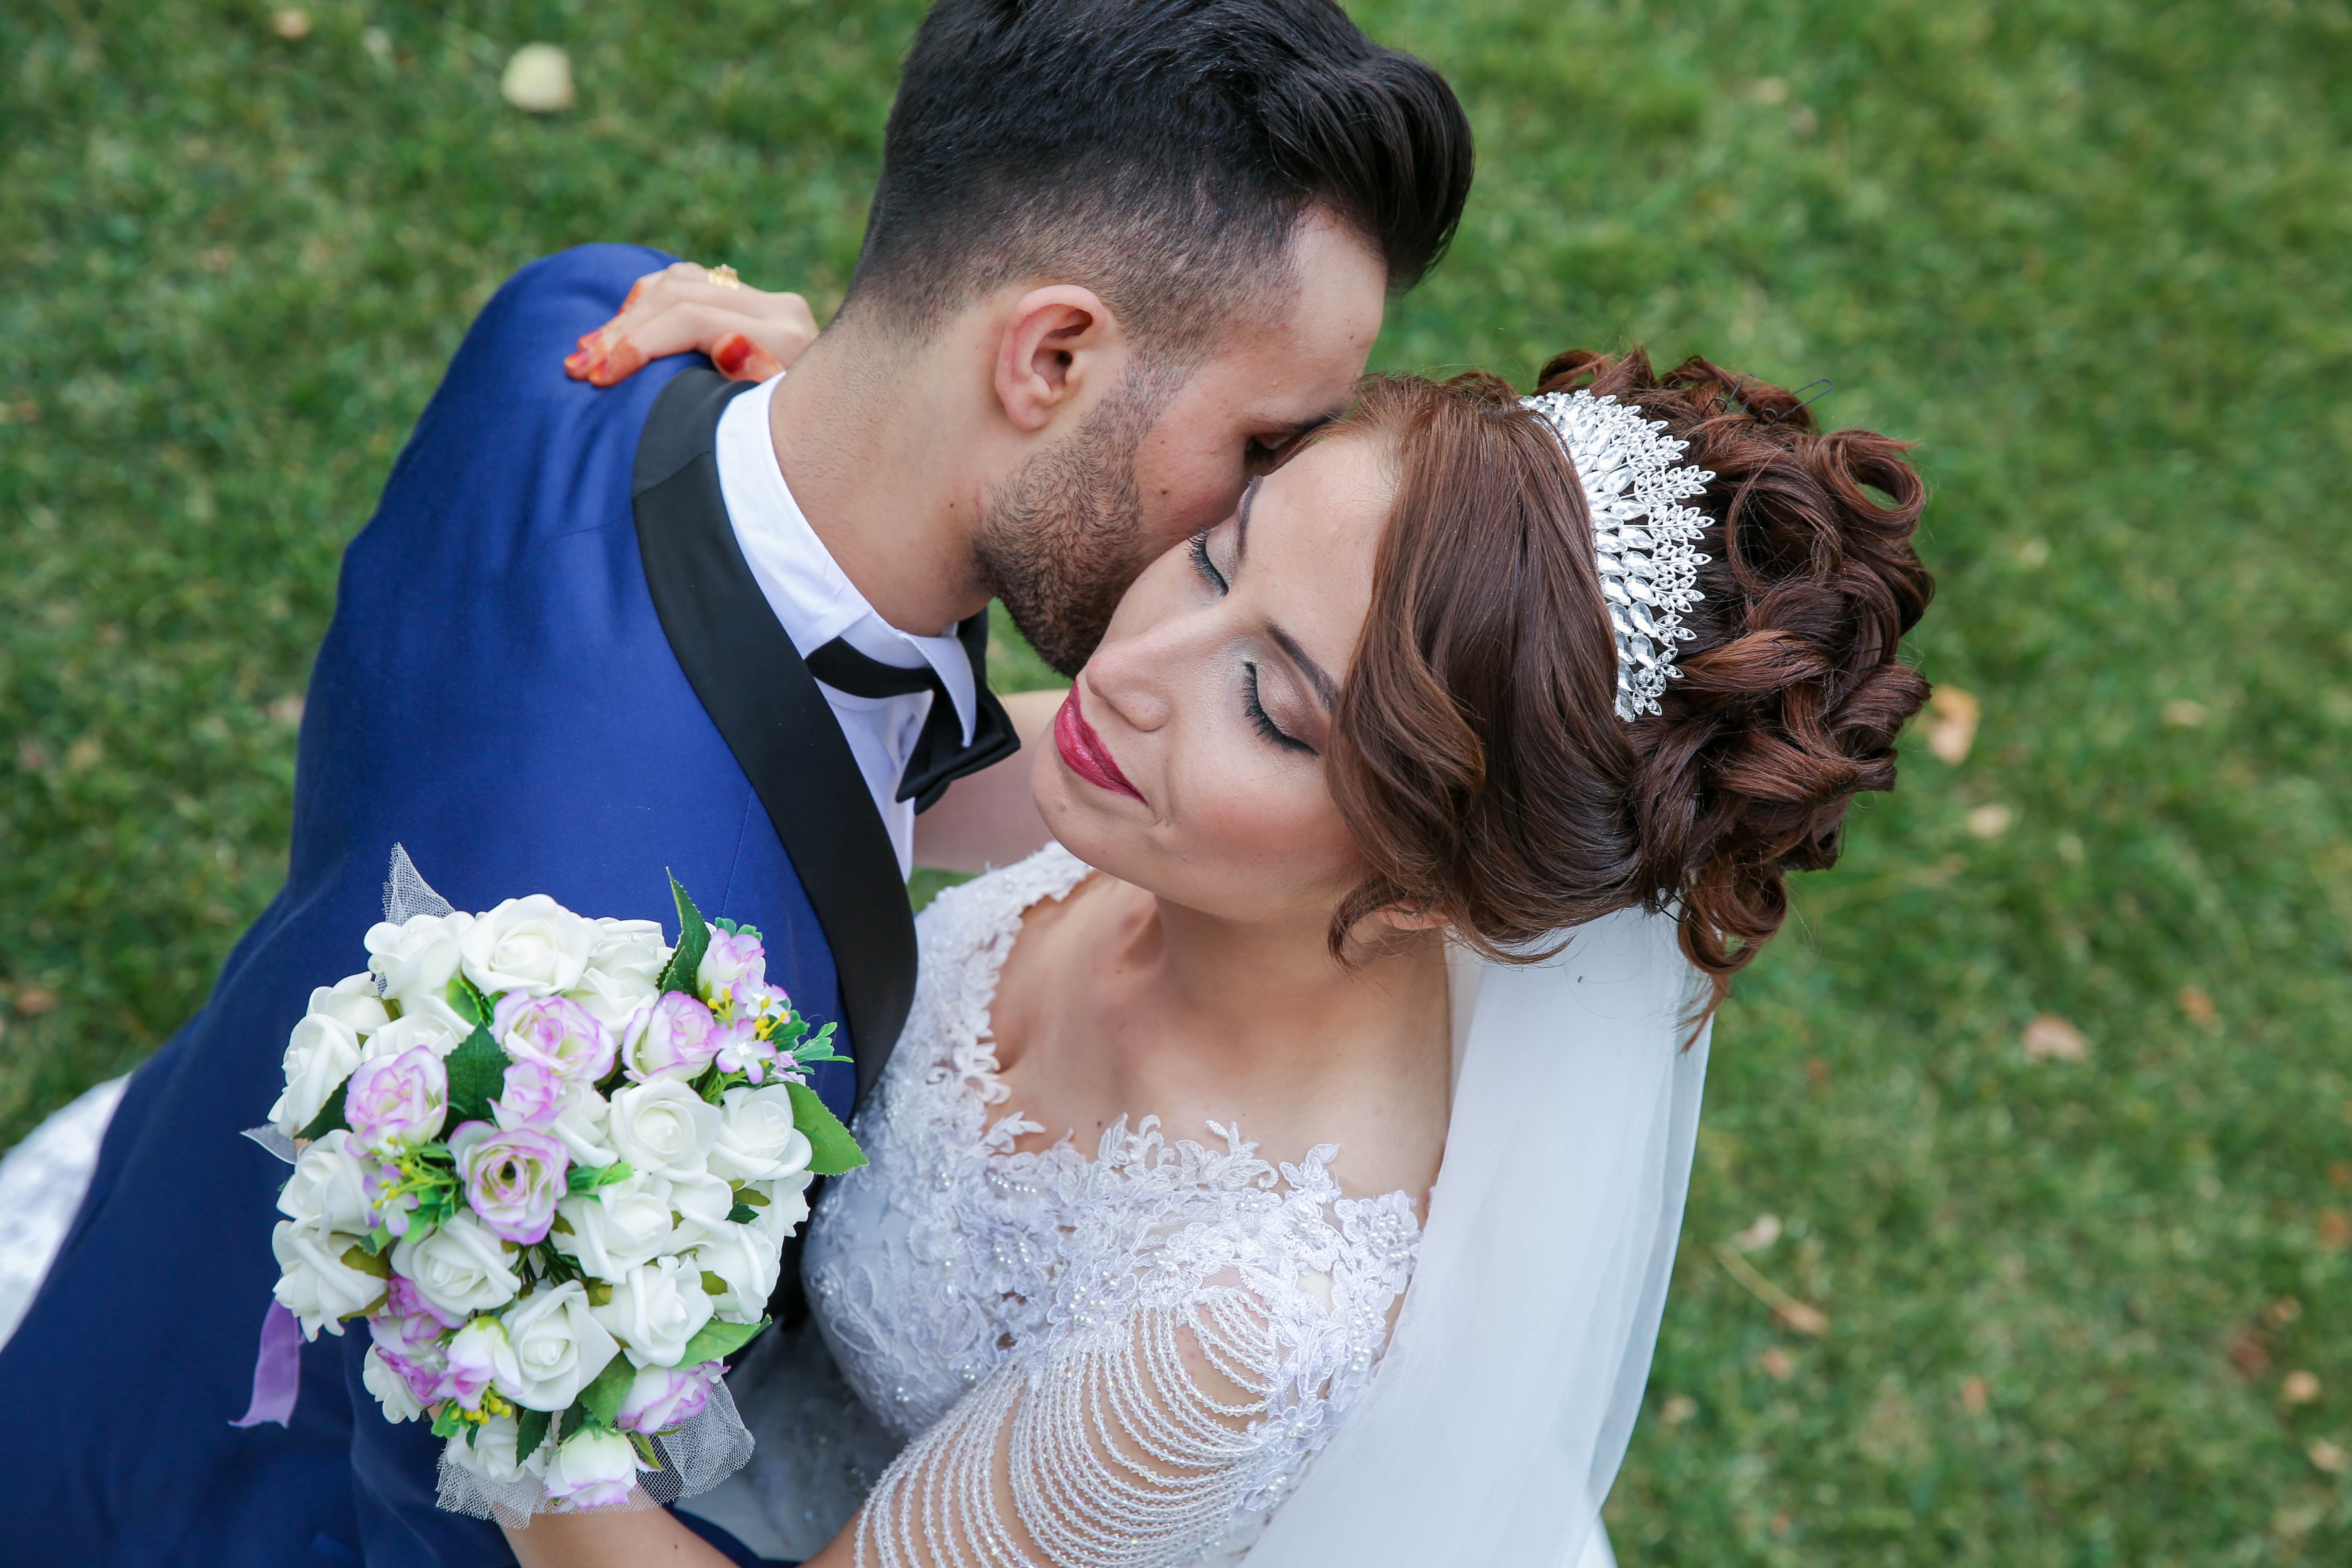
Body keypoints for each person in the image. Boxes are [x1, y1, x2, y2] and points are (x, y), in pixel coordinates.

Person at [0, 2, 1471, 1564]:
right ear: (1049, 356)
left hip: (153, 1228)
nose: (1275, 503)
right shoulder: (625, 1010)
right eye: (1259, 446)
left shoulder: (587, 325)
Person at [494, 337, 1931, 1568]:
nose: (1123, 671)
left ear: (1440, 888)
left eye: (1274, 705)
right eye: (1213, 558)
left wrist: (497, 1304)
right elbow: (851, 726)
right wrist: (803, 403)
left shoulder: (1231, 1332)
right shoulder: (1163, 799)